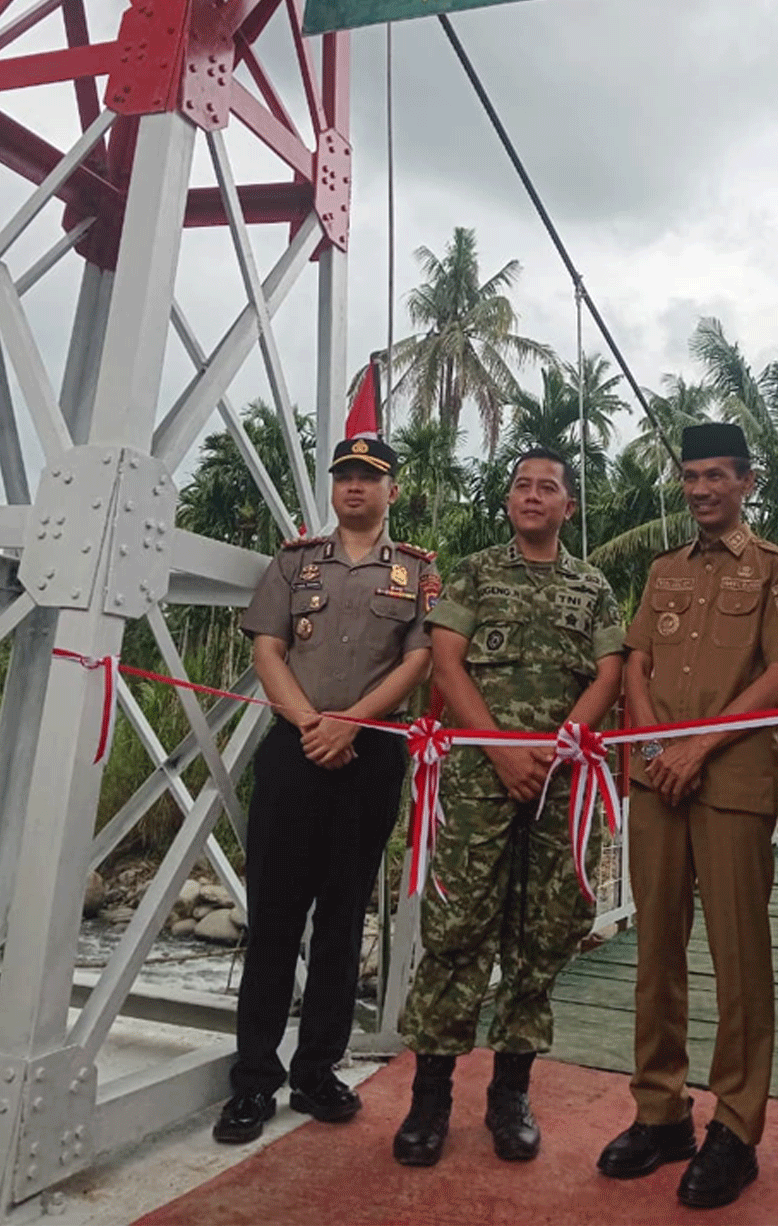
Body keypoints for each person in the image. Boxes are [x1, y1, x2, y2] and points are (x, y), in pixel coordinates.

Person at [597, 422, 778, 1211]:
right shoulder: (665, 569)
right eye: (690, 476)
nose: (700, 489)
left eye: (716, 475)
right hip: (659, 779)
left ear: (746, 482)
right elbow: (637, 661)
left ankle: (736, 1126)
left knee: (739, 958)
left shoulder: (776, 567)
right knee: (654, 947)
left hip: (731, 782)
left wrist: (698, 747)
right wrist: (659, 744)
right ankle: (660, 1111)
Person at [393, 448, 625, 1168]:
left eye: (547, 487)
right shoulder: (476, 572)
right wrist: (500, 749)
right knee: (457, 928)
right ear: (508, 501)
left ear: (568, 507)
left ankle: (510, 1095)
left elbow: (610, 673)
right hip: (478, 781)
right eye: (522, 485)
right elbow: (447, 661)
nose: (532, 495)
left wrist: (557, 749)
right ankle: (430, 1099)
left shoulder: (592, 585)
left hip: (559, 785)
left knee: (544, 931)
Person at [212, 435, 438, 1144]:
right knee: (274, 918)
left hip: (371, 751)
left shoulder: (417, 573)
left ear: (391, 491)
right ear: (334, 487)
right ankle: (253, 1081)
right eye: (344, 476)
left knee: (341, 919)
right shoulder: (294, 563)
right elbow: (268, 649)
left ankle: (316, 1072)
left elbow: (419, 660)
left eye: (368, 477)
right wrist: (312, 722)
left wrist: (351, 723)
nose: (354, 486)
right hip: (295, 748)